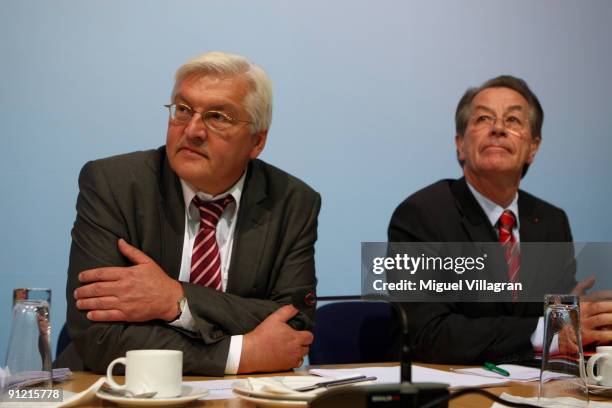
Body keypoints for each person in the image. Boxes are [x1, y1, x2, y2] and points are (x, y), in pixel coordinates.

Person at [55, 51, 321, 375]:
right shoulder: (114, 186)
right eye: (183, 110)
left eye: (218, 117)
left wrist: (175, 300)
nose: (193, 130)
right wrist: (239, 354)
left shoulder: (293, 203)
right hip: (115, 390)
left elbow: (293, 324)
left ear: (257, 141)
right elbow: (99, 336)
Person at [388, 75, 612, 363]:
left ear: (533, 147)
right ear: (460, 144)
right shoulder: (422, 215)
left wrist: (585, 318)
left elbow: (562, 325)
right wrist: (548, 330)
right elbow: (427, 333)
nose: (497, 129)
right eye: (483, 118)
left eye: (514, 121)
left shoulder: (551, 221)